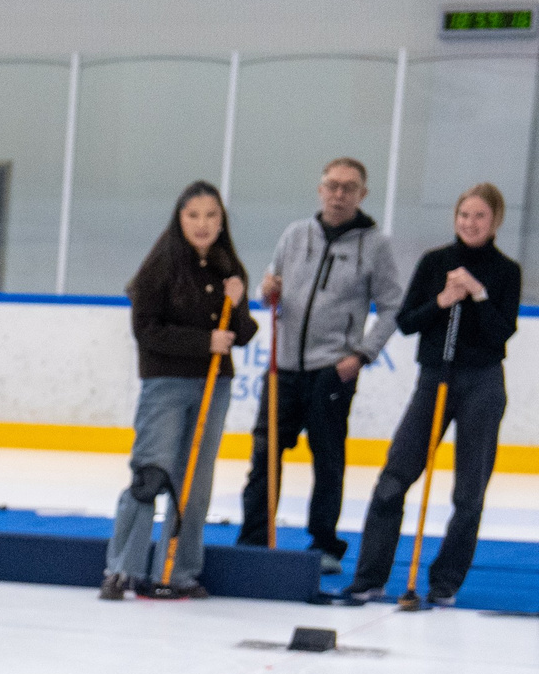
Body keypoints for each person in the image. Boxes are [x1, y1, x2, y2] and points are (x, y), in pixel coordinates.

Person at [341, 184, 522, 608]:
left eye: (479, 216)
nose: (470, 223)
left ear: (494, 221)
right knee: (393, 479)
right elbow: (406, 321)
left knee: (469, 492)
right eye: (464, 215)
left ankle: (445, 583)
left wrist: (477, 295)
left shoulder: (506, 271)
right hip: (434, 379)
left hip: (482, 383)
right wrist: (443, 300)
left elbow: (501, 332)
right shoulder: (435, 262)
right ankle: (369, 577)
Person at [240, 158, 404, 567]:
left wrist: (362, 355)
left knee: (328, 460)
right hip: (284, 367)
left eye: (349, 187)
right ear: (320, 188)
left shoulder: (375, 246)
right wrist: (267, 290)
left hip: (332, 370)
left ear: (362, 195)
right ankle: (253, 539)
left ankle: (325, 544)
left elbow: (392, 306)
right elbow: (272, 286)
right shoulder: (296, 235)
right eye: (332, 185)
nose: (338, 194)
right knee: (264, 456)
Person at [102, 182, 257, 601]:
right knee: (151, 475)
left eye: (211, 216)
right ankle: (121, 570)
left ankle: (178, 570)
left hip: (213, 385)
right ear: (180, 219)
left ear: (221, 220)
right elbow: (146, 331)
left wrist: (239, 303)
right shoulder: (159, 267)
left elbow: (242, 334)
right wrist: (203, 342)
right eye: (193, 216)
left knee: (194, 484)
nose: (202, 224)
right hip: (166, 384)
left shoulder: (229, 268)